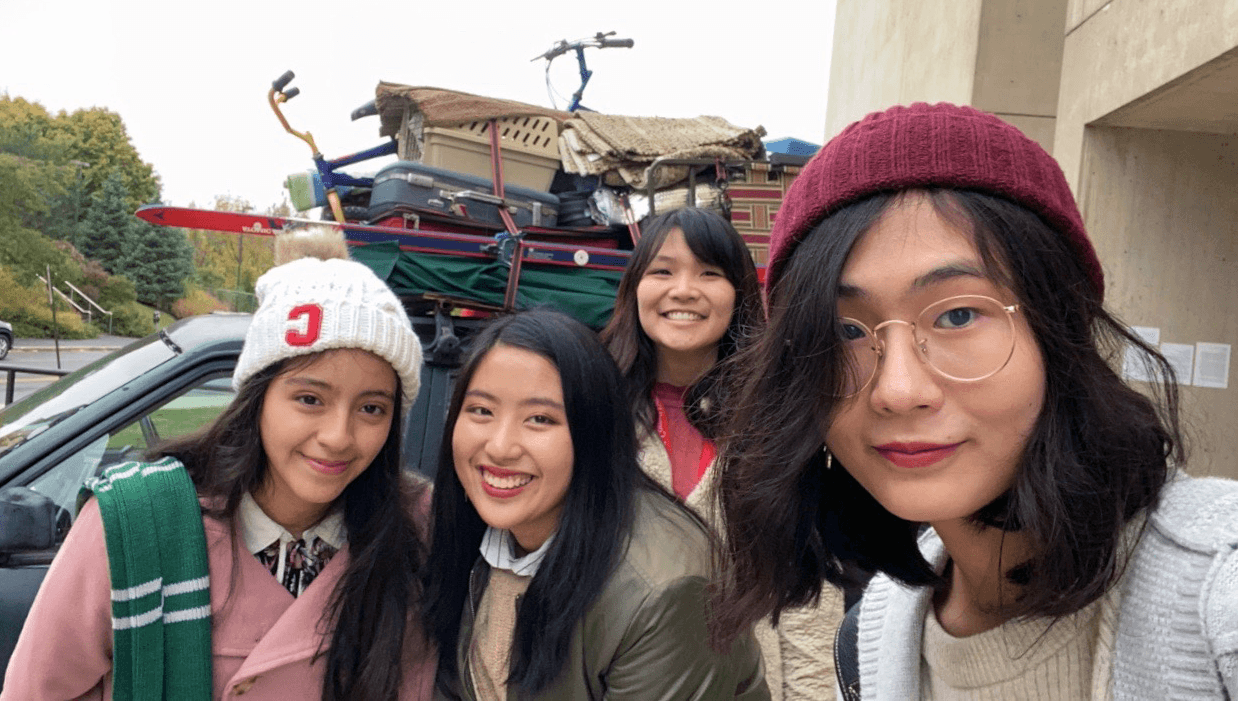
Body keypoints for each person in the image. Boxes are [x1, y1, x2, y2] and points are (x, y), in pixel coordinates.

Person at [712, 101, 1238, 699]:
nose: (898, 391)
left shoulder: (1219, 588)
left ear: (1058, 330)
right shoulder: (875, 629)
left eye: (959, 314)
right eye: (844, 332)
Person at [3, 229, 436, 700]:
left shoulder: (415, 531)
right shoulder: (140, 523)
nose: (338, 437)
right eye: (309, 399)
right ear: (258, 397)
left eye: (371, 408)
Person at [424, 308, 767, 700]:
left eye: (539, 419)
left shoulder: (665, 590)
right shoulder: (468, 532)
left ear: (594, 432)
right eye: (482, 411)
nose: (500, 447)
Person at [599, 207, 844, 699]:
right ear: (635, 288)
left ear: (738, 294)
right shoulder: (592, 408)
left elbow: (806, 600)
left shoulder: (776, 422)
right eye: (662, 271)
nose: (684, 290)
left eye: (709, 273)